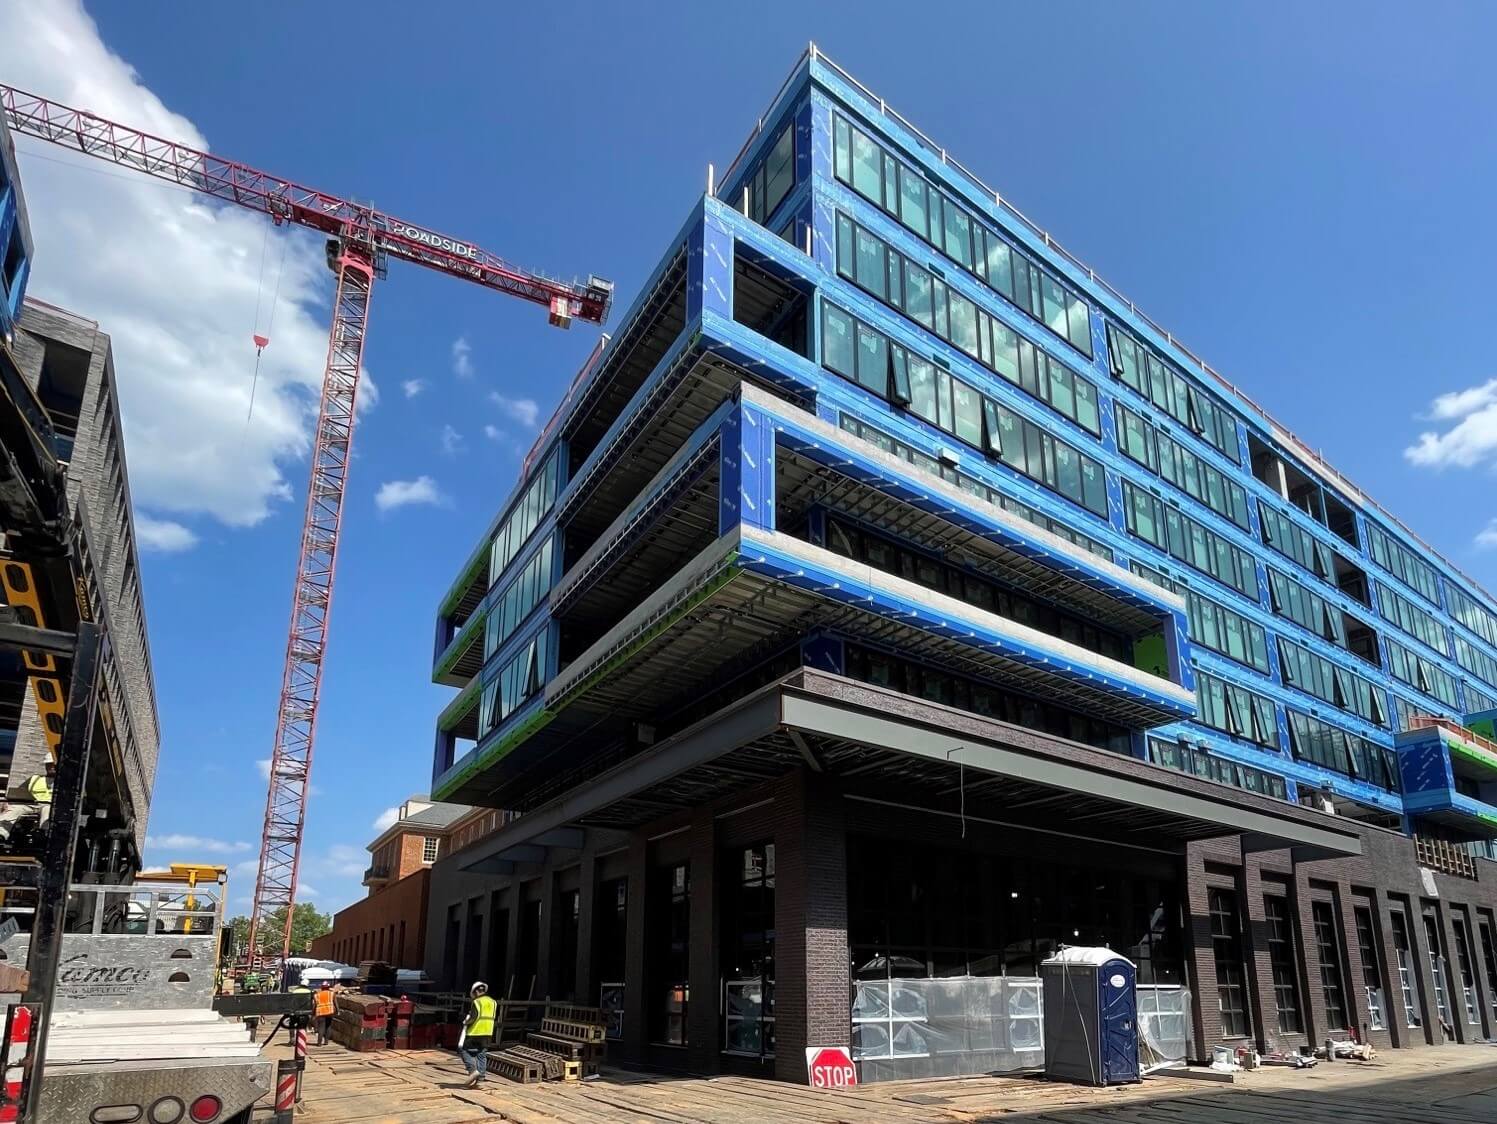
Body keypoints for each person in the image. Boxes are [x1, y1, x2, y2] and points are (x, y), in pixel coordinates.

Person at [0, 761, 54, 845]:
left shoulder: (63, 782)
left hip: (49, 805)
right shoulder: (35, 778)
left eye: (53, 764)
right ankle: (1, 833)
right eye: (49, 764)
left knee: (48, 811)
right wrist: (8, 801)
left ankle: (43, 835)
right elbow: (18, 792)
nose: (51, 767)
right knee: (14, 808)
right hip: (32, 803)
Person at [457, 981, 498, 1087]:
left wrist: (466, 1022)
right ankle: (480, 1079)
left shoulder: (477, 1002)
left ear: (475, 992)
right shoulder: (493, 1002)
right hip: (488, 1033)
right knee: (482, 1055)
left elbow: (474, 1017)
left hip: (475, 1032)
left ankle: (473, 1071)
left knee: (463, 1050)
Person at [314, 981, 337, 1046]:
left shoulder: (317, 995)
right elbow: (335, 1003)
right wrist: (338, 1011)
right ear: (328, 987)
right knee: (328, 1026)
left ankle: (319, 1043)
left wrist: (313, 1013)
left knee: (321, 1027)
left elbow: (315, 1005)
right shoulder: (332, 994)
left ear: (321, 987)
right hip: (329, 1012)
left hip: (320, 1012)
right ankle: (326, 1042)